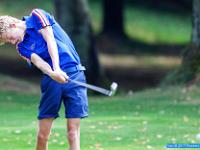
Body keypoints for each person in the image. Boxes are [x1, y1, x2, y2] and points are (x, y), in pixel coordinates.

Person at [0, 8, 88, 150]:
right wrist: (53, 73)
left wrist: (57, 68)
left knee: (73, 132)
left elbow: (50, 39)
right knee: (42, 135)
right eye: (8, 41)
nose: (11, 42)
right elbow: (39, 62)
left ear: (12, 25)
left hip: (75, 73)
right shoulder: (22, 47)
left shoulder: (37, 15)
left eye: (9, 37)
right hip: (51, 81)